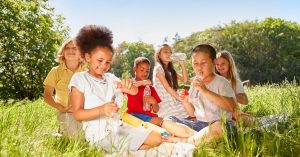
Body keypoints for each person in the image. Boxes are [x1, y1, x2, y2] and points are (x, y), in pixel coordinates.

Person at [68, 25, 162, 153]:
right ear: (88, 57)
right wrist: (102, 110)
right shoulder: (80, 79)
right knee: (147, 145)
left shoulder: (110, 78)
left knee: (157, 138)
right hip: (99, 136)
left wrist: (129, 86)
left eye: (107, 62)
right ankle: (120, 151)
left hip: (119, 129)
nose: (103, 66)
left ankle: (127, 151)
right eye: (100, 60)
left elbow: (133, 91)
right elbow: (77, 114)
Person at [164, 44, 237, 145]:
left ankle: (186, 140)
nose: (199, 67)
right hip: (200, 125)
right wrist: (185, 101)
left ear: (214, 62)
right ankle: (200, 139)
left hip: (221, 124)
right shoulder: (194, 84)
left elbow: (232, 107)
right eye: (195, 63)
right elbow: (192, 113)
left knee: (219, 127)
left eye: (203, 63)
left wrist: (205, 90)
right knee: (168, 120)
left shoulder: (221, 82)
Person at [126, 56, 195, 138]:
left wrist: (154, 102)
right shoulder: (130, 83)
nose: (145, 73)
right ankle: (174, 133)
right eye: (142, 70)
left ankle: (184, 133)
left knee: (164, 122)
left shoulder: (150, 88)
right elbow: (129, 88)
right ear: (134, 69)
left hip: (147, 117)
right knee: (161, 123)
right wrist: (143, 82)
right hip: (132, 115)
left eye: (147, 71)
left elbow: (156, 110)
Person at [43, 38, 83, 137]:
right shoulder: (55, 71)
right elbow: (47, 96)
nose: (70, 51)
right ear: (63, 53)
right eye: (67, 48)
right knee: (75, 137)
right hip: (66, 113)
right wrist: (61, 108)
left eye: (74, 48)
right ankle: (58, 136)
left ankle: (60, 134)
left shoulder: (87, 72)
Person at [153, 44, 189, 119]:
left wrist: (182, 64)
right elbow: (167, 88)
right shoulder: (158, 69)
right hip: (166, 104)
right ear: (159, 55)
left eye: (170, 52)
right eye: (166, 52)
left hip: (174, 100)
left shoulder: (171, 70)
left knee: (190, 111)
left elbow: (185, 80)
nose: (169, 54)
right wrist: (180, 99)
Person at [215, 50, 251, 124]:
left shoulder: (235, 82)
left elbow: (245, 101)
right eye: (217, 64)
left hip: (232, 114)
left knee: (244, 119)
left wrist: (229, 94)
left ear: (230, 64)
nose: (220, 66)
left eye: (223, 63)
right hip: (215, 114)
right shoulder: (213, 80)